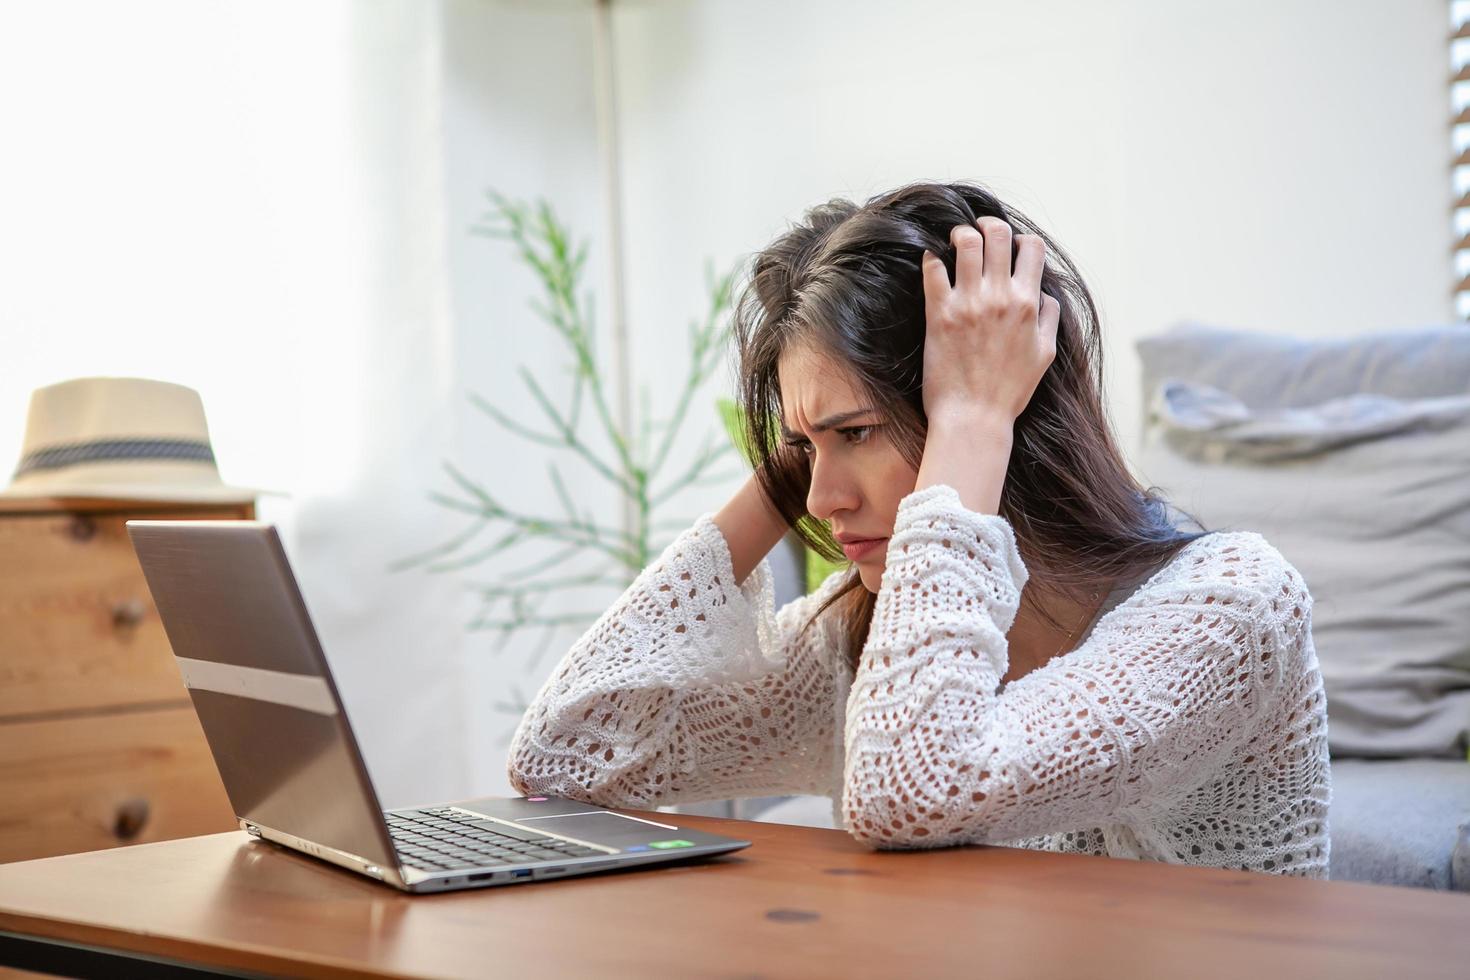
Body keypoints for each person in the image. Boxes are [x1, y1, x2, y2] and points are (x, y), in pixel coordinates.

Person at [506, 180, 1331, 877]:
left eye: (856, 433)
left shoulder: (1234, 610)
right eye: (804, 451)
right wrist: (791, 464)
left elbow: (916, 785)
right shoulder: (858, 639)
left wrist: (972, 415)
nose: (822, 500)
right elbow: (566, 758)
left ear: (1007, 406)